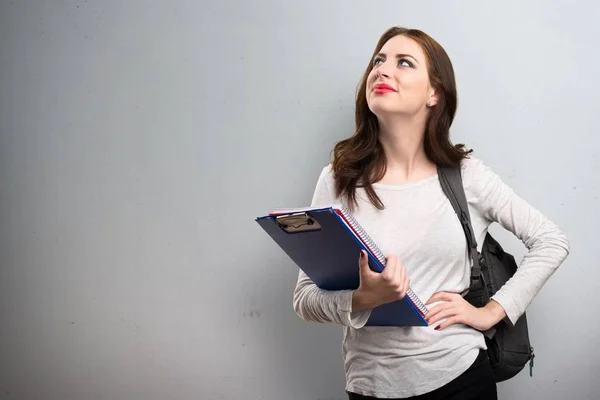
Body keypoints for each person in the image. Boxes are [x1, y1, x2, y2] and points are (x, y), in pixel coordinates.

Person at [292, 26, 570, 399]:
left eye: (404, 63)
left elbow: (551, 240)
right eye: (379, 61)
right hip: (369, 386)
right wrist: (364, 298)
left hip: (460, 379)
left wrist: (491, 311)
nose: (382, 70)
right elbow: (304, 299)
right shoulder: (339, 179)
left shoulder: (464, 175)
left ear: (434, 93)